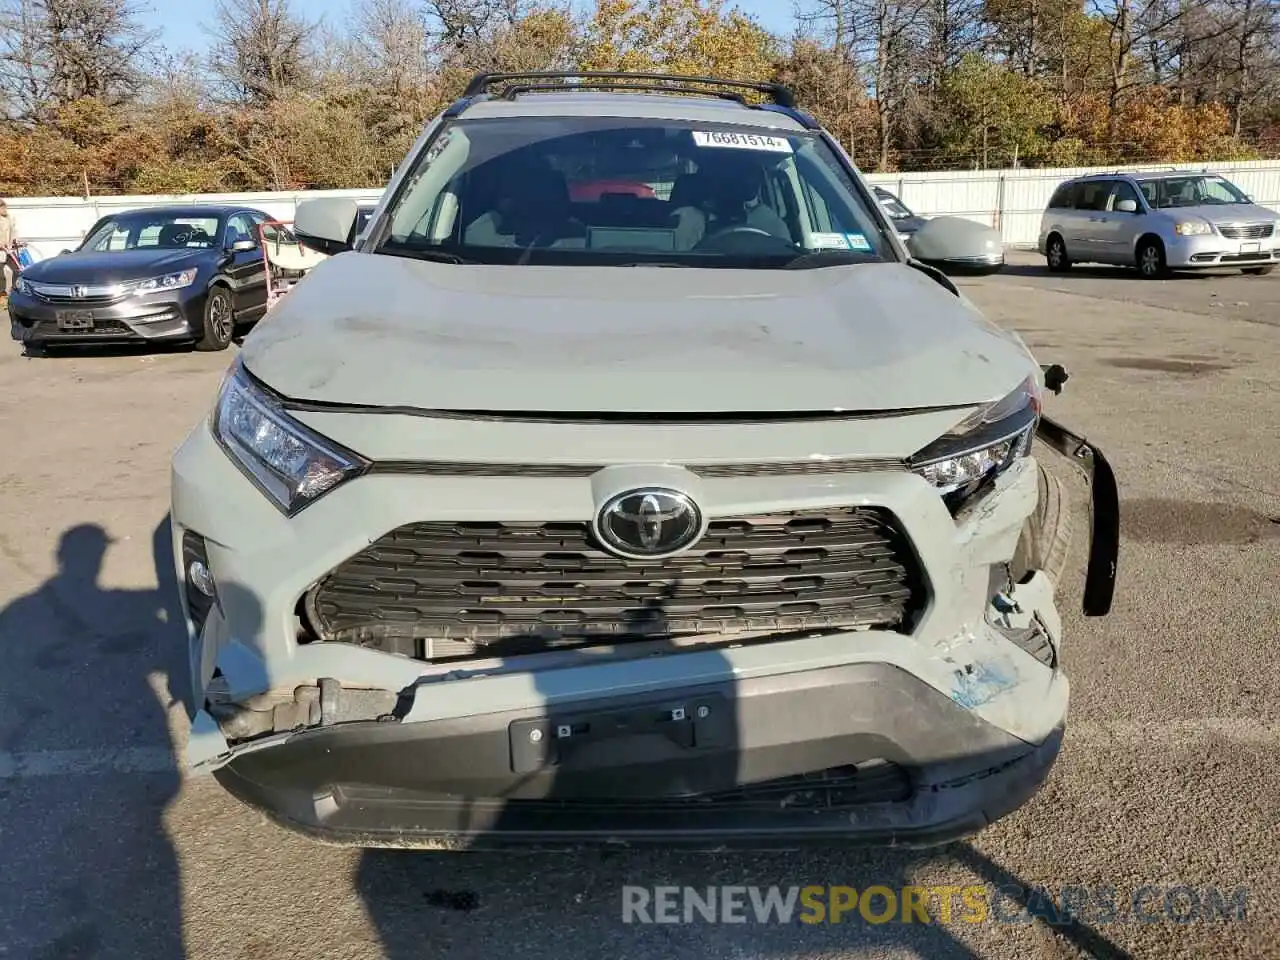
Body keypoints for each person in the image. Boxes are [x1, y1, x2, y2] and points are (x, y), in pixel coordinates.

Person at [0, 199, 17, 296]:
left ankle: (15, 288)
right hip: (0, 250)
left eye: (5, 207)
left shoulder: (10, 218)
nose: (5, 209)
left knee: (17, 270)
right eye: (2, 207)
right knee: (0, 273)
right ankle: (2, 292)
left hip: (8, 250)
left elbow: (13, 231)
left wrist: (12, 242)